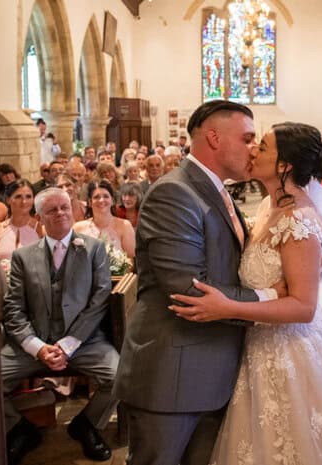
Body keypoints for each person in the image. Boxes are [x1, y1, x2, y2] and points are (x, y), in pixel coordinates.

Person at [168, 122, 322, 465]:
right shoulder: (271, 207)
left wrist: (228, 307)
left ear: (284, 165)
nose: (253, 150)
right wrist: (266, 293)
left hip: (291, 352)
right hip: (261, 348)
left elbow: (303, 307)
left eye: (264, 146)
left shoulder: (300, 221)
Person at [114, 101, 284, 465]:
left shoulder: (215, 191)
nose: (253, 148)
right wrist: (272, 297)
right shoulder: (175, 193)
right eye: (248, 137)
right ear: (214, 137)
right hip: (174, 376)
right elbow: (189, 290)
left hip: (214, 371)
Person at [1, 188, 118, 465]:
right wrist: (38, 348)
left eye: (65, 207)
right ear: (39, 217)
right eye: (52, 210)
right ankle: (20, 429)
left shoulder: (93, 248)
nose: (61, 213)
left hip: (84, 341)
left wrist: (68, 344)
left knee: (118, 376)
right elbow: (13, 309)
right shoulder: (23, 257)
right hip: (34, 342)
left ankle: (87, 424)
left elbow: (99, 301)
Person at [74, 180, 135, 259]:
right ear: (89, 202)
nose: (101, 200)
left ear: (112, 200)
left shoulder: (124, 226)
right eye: (96, 197)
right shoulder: (78, 228)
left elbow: (131, 260)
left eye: (106, 196)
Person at [0, 180, 43, 264]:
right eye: (18, 197)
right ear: (8, 200)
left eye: (28, 196)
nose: (24, 201)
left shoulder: (41, 230)